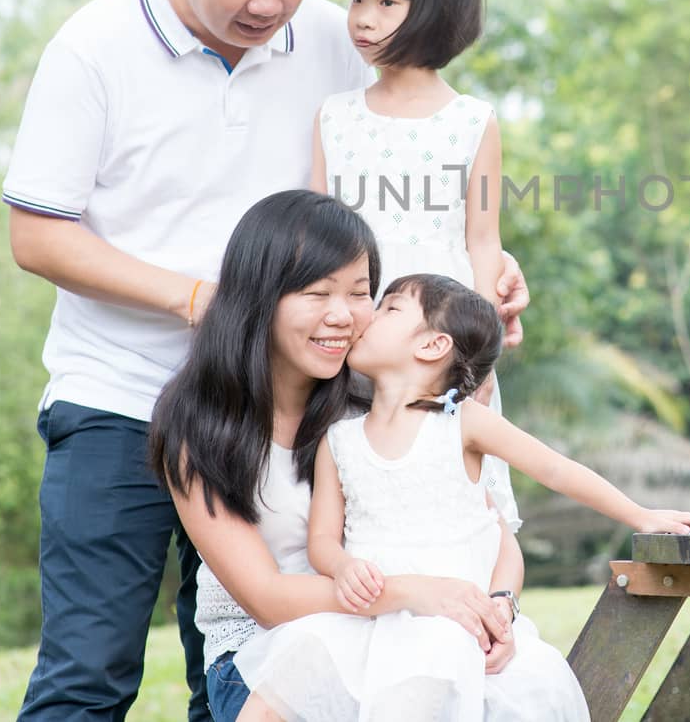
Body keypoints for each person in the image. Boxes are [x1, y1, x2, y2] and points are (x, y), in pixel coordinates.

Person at [3, 0, 530, 721]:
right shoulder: (93, 49)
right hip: (122, 400)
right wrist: (197, 301)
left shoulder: (335, 35)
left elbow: (417, 155)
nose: (270, 4)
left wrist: (486, 267)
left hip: (286, 415)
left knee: (255, 668)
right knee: (88, 672)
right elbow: (35, 234)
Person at [149, 191, 567, 721]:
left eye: (360, 292)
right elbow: (268, 599)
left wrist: (497, 609)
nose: (343, 316)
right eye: (318, 293)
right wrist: (414, 594)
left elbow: (491, 532)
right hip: (264, 655)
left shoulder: (383, 403)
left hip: (405, 642)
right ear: (258, 297)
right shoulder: (200, 426)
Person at [231, 271, 690, 721]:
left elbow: (555, 469)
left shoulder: (463, 425)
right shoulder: (339, 440)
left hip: (456, 629)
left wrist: (640, 515)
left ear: (433, 344)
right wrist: (342, 567)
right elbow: (322, 540)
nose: (367, 317)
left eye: (390, 308)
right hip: (369, 621)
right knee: (277, 690)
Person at [311, 0, 519, 528]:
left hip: (439, 340)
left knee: (452, 497)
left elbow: (483, 243)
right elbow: (316, 236)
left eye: (386, 3)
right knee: (354, 495)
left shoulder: (472, 120)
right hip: (350, 334)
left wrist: (479, 364)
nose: (362, 18)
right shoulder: (334, 116)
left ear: (434, 10)